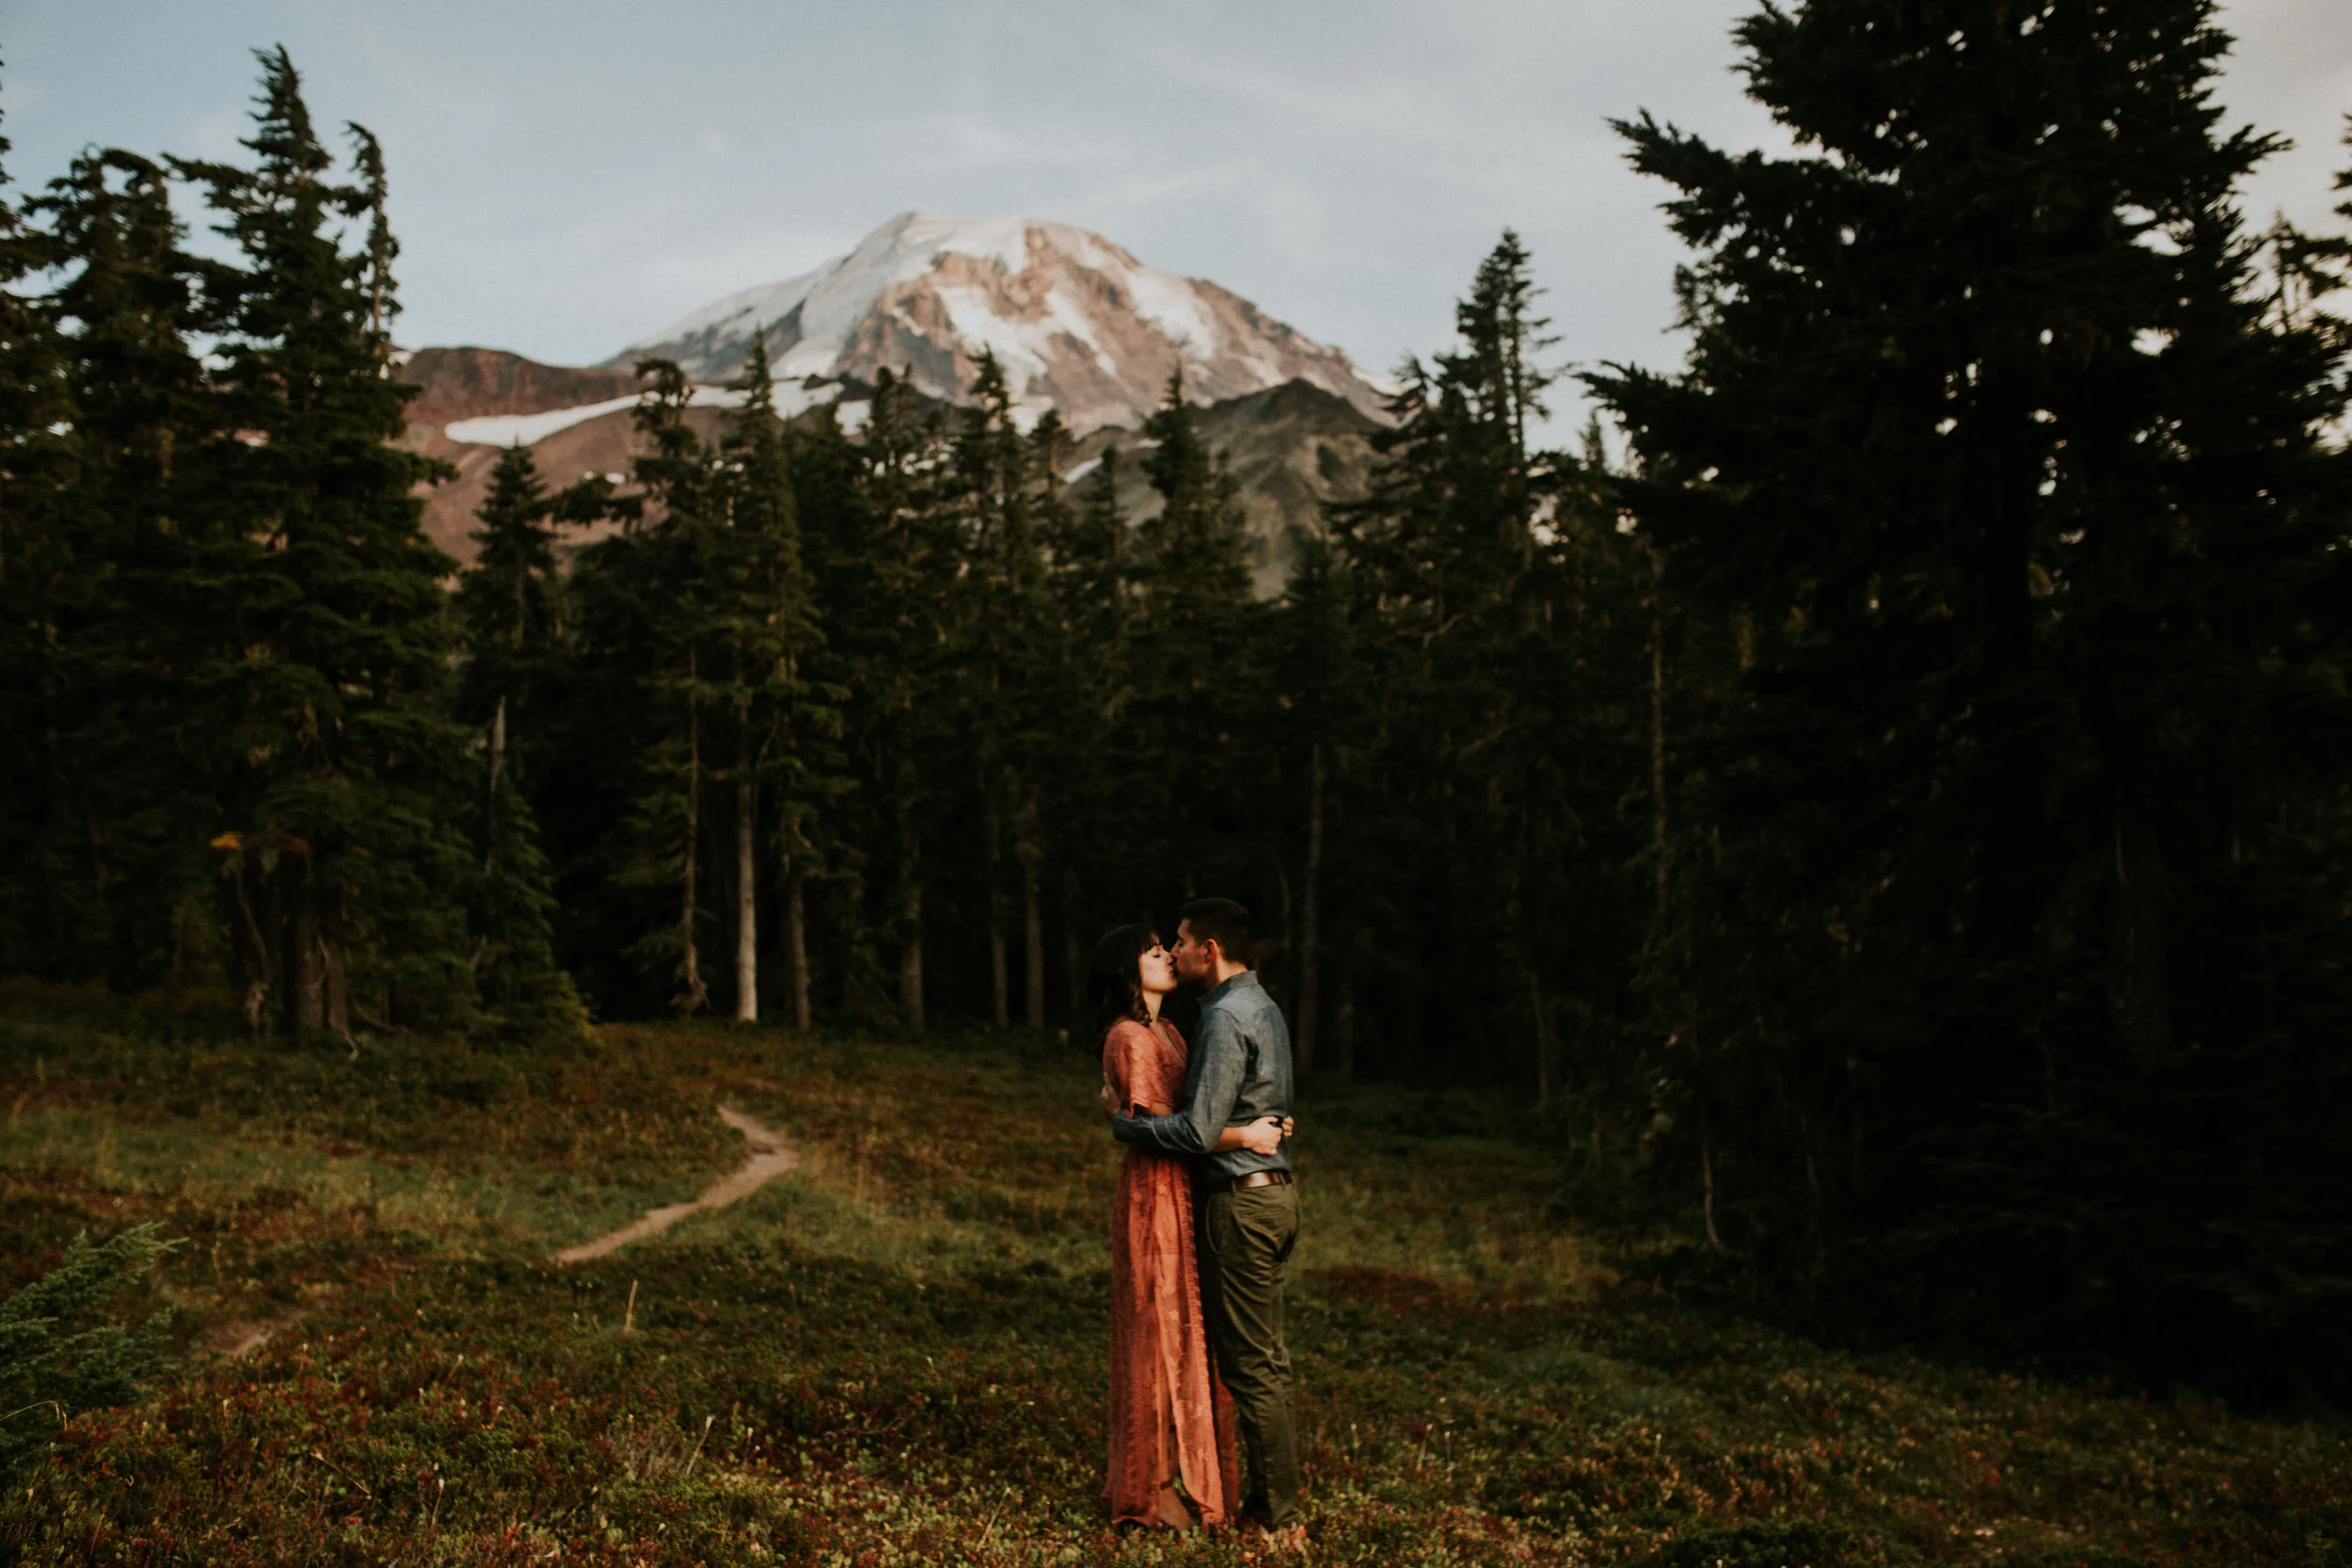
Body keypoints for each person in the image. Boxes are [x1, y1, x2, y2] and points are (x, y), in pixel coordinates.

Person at [1109, 898, 1306, 1549]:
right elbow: (1270, 1103)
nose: (1176, 950)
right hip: (1277, 1195)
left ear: (1211, 949)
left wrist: (1128, 1124)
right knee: (1267, 1358)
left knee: (1252, 1366)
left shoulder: (1222, 1017)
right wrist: (1257, 1131)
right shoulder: (1266, 1007)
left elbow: (1193, 1129)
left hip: (1243, 1202)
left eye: (1184, 940)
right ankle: (1268, 1505)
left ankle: (1278, 1519)